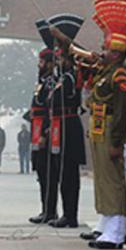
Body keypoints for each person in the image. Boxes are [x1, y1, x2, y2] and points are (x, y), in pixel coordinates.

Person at [52, 0, 126, 249]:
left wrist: (117, 141)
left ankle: (117, 230)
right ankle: (106, 222)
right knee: (102, 179)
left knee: (113, 180)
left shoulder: (119, 75)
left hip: (110, 128)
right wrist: (66, 42)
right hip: (99, 127)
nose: (103, 51)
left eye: (108, 48)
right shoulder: (106, 70)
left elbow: (121, 112)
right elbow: (82, 57)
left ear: (118, 53)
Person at [46, 14, 87, 229]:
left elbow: (80, 52)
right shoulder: (61, 78)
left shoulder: (73, 75)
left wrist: (62, 37)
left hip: (69, 128)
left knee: (69, 174)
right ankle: (65, 213)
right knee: (62, 174)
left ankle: (71, 215)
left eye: (61, 58)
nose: (58, 61)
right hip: (59, 128)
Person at [28, 47, 57, 224]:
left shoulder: (51, 81)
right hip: (36, 130)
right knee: (41, 172)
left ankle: (50, 210)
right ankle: (45, 209)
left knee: (48, 174)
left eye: (42, 61)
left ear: (50, 63)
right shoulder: (42, 81)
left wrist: (47, 131)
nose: (39, 65)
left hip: (44, 131)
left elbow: (51, 109)